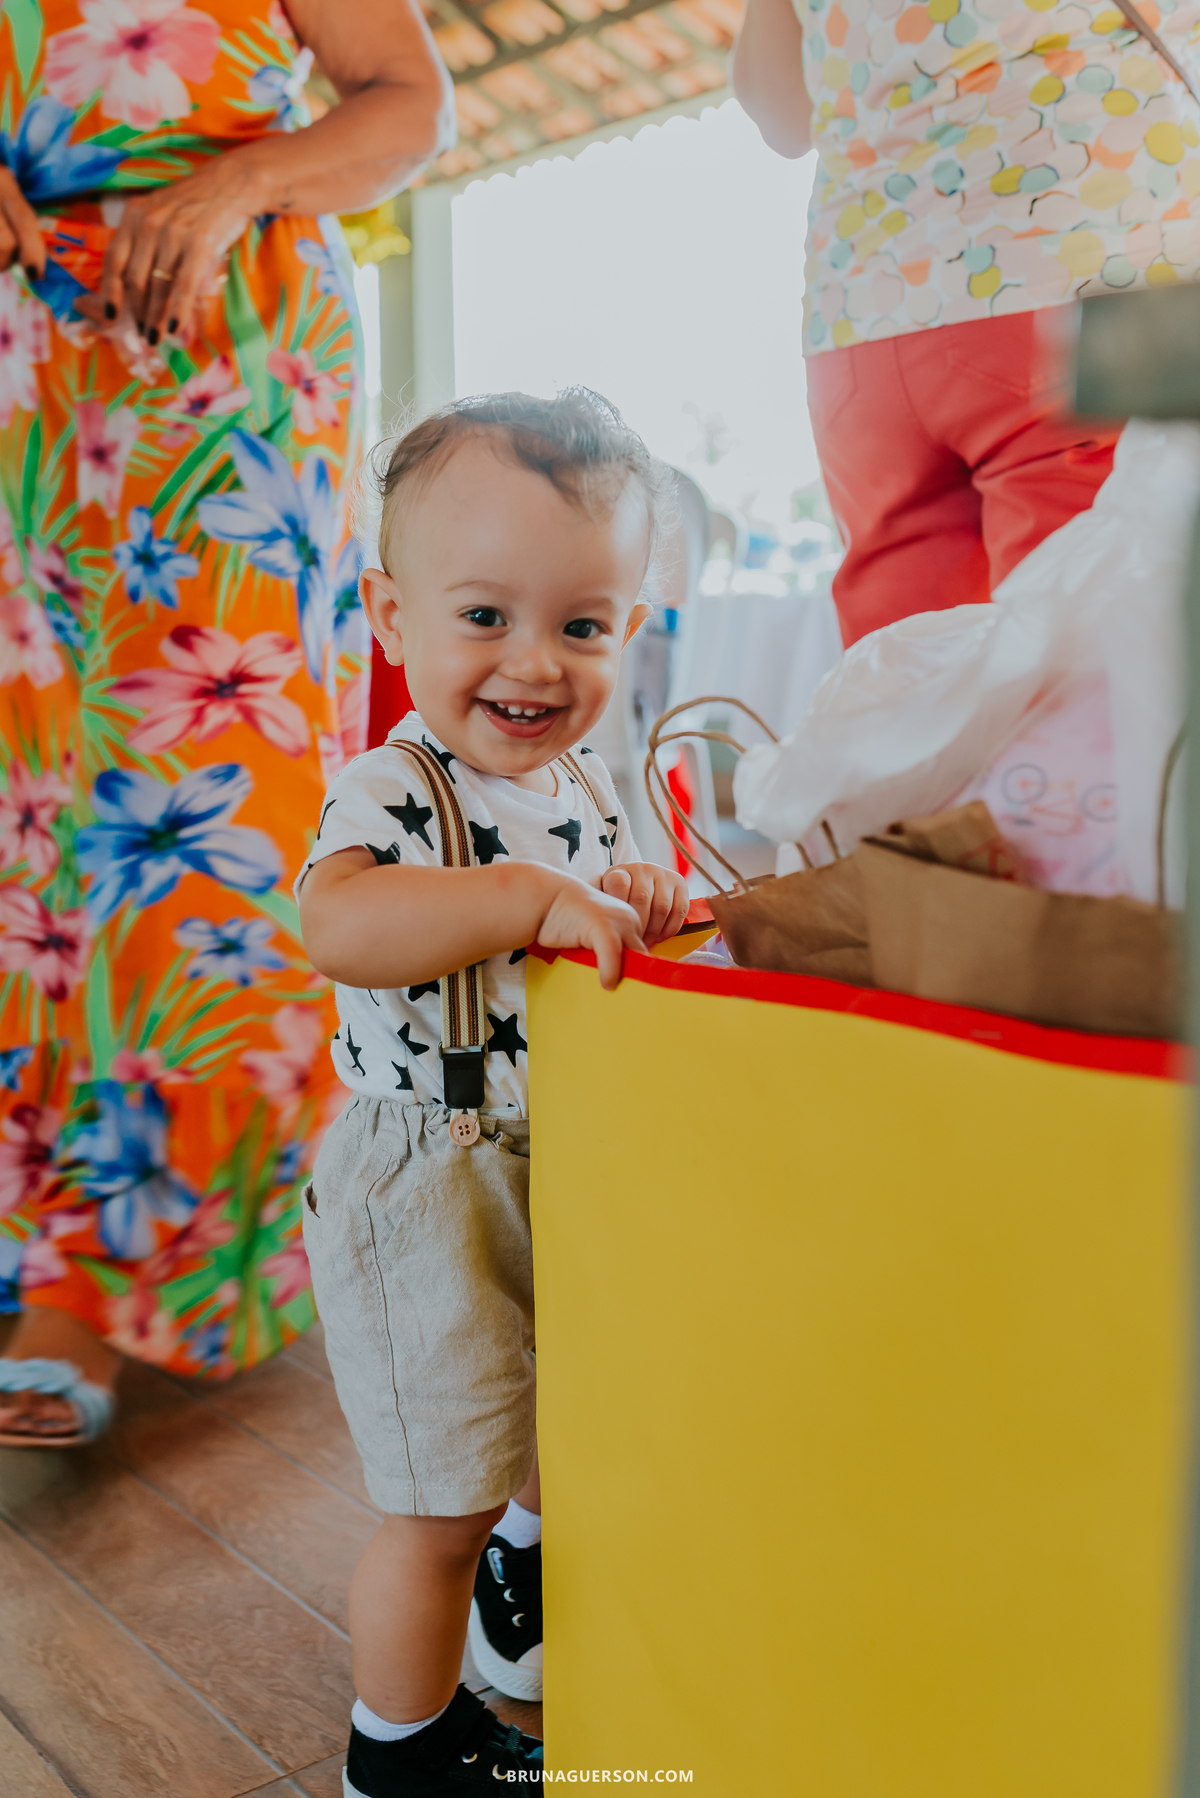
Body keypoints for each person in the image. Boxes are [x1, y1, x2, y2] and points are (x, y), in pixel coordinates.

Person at [0, 0, 453, 1445]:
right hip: (25, 360)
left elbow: (409, 102)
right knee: (31, 812)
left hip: (232, 355)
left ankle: (118, 1263)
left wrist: (241, 178)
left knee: (205, 802)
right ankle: (38, 1235)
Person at [297, 390, 689, 1794]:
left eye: (581, 625)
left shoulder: (584, 778)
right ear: (391, 613)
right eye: (483, 617)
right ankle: (403, 1749)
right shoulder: (393, 787)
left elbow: (595, 918)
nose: (534, 661)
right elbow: (338, 928)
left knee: (553, 1420)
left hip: (555, 1159)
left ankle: (517, 1617)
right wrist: (524, 895)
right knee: (437, 1501)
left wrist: (629, 885)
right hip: (429, 1180)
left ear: (627, 629)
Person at [731, 0, 1200, 645]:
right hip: (1076, 278)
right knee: (1088, 668)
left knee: (905, 691)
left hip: (866, 318)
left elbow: (780, 113)